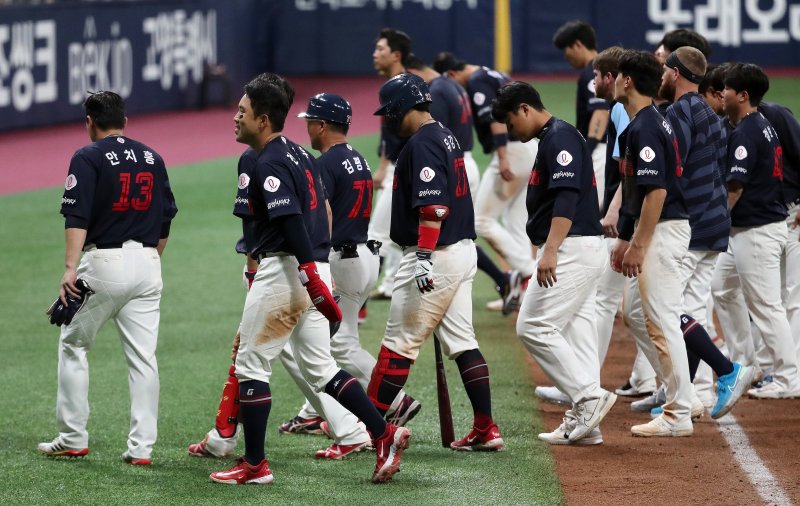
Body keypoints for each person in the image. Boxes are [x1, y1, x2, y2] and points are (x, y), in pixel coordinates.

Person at [209, 74, 409, 485]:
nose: (235, 117)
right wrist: (317, 272)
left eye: (242, 111)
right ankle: (383, 432)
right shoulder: (300, 155)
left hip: (287, 269)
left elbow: (289, 218)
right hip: (315, 266)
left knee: (251, 363)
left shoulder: (268, 162)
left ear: (263, 120)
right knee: (321, 367)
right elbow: (326, 216)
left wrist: (305, 273)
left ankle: (255, 465)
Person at [38, 91, 178, 464]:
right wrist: (149, 260)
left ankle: (72, 437)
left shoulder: (87, 156)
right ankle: (141, 449)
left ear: (89, 121)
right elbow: (166, 218)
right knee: (143, 358)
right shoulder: (153, 157)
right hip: (149, 263)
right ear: (125, 122)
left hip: (103, 263)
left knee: (73, 344)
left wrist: (70, 268)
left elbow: (77, 216)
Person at [368, 73, 505, 451]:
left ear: (400, 107)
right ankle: (485, 428)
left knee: (397, 345)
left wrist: (424, 257)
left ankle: (370, 431)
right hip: (460, 254)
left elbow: (434, 207)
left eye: (389, 112)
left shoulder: (423, 144)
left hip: (434, 256)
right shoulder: (444, 134)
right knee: (463, 342)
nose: (387, 119)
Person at [492, 81, 617, 445]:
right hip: (580, 247)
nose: (512, 133)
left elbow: (566, 197)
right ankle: (586, 422)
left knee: (532, 327)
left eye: (511, 124)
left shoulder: (559, 137)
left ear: (525, 109)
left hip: (571, 248)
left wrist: (549, 250)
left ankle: (588, 398)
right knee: (578, 334)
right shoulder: (553, 136)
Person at [656, 47, 755, 419]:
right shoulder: (713, 116)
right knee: (692, 310)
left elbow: (674, 166)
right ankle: (689, 396)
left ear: (676, 73)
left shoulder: (680, 112)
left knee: (668, 310)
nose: (662, 76)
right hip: (717, 220)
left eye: (665, 70)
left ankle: (727, 370)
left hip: (693, 222)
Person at [611, 50, 694, 437]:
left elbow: (655, 193)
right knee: (647, 317)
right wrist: (626, 238)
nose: (611, 80)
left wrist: (639, 244)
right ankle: (680, 400)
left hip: (664, 229)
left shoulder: (646, 126)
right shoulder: (647, 122)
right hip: (659, 229)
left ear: (627, 81)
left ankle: (679, 413)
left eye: (616, 75)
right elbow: (637, 191)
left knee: (662, 321)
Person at [405, 54, 515, 310]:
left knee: (453, 235)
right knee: (462, 235)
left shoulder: (439, 90)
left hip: (452, 164)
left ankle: (508, 275)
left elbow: (434, 132)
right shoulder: (452, 85)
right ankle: (503, 278)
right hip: (463, 160)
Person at [434, 51, 537, 314]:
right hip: (529, 150)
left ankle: (527, 273)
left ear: (453, 75)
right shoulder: (492, 72)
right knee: (515, 222)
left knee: (481, 221)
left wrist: (502, 157)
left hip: (512, 152)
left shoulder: (477, 80)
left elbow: (496, 119)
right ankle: (526, 291)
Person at [723, 63, 800, 399]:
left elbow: (735, 188)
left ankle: (787, 377)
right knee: (722, 286)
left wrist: (712, 220)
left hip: (756, 230)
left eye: (726, 88)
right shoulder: (762, 124)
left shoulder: (746, 132)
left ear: (742, 95)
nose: (721, 93)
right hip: (759, 227)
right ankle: (748, 363)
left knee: (769, 306)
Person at [369, 28, 411, 301]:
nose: (375, 54)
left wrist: (385, 168)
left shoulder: (403, 87)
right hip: (402, 168)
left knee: (375, 236)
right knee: (401, 235)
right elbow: (388, 134)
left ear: (396, 55)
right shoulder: (398, 85)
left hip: (404, 170)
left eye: (381, 49)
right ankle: (392, 283)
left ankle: (357, 304)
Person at [552, 20, 610, 208]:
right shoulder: (604, 66)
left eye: (566, 50)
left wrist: (587, 150)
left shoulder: (592, 71)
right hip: (607, 148)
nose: (566, 57)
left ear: (578, 44)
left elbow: (601, 112)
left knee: (592, 211)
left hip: (599, 149)